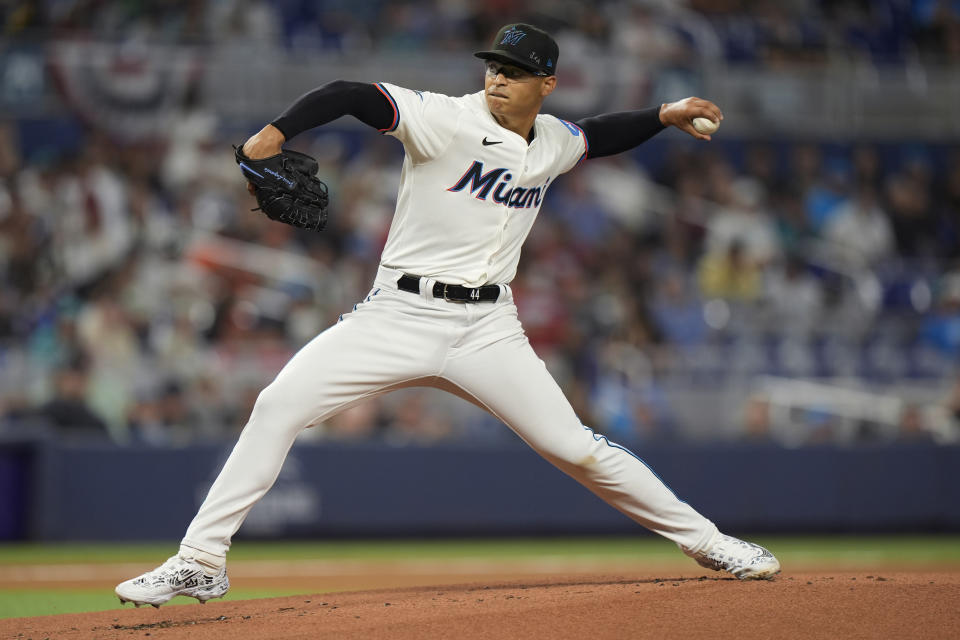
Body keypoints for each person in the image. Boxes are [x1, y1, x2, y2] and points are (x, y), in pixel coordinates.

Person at [116, 23, 780, 608]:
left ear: (546, 84)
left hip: (489, 330)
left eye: (515, 73)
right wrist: (272, 135)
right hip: (397, 314)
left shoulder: (550, 140)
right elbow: (351, 92)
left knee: (576, 447)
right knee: (277, 404)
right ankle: (202, 561)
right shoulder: (444, 118)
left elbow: (597, 137)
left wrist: (663, 114)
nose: (499, 79)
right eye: (494, 67)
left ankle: (711, 542)